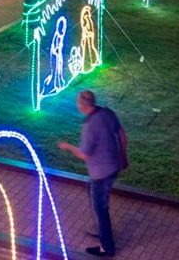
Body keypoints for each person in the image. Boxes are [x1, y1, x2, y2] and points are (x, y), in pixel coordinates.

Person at [58, 90, 128, 258]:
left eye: (78, 102)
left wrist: (68, 146)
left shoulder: (89, 126)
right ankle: (101, 229)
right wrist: (123, 155)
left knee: (100, 208)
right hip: (113, 166)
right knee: (91, 193)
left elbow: (84, 154)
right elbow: (122, 134)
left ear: (83, 106)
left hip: (101, 173)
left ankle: (107, 248)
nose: (77, 105)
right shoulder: (107, 112)